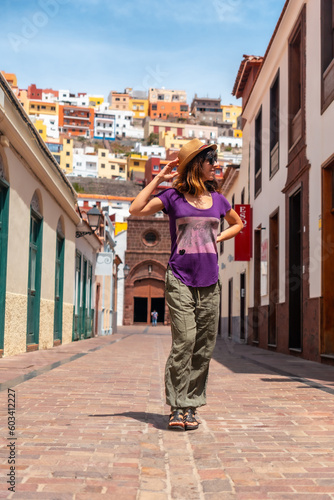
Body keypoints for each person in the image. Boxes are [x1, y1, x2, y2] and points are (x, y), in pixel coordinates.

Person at [129, 138, 243, 431]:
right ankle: (176, 406)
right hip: (179, 277)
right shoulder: (172, 197)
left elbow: (237, 223)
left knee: (204, 346)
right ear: (196, 164)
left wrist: (218, 238)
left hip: (210, 280)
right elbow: (136, 208)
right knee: (184, 341)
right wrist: (159, 177)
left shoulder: (218, 200)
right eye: (210, 160)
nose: (215, 164)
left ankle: (191, 405)